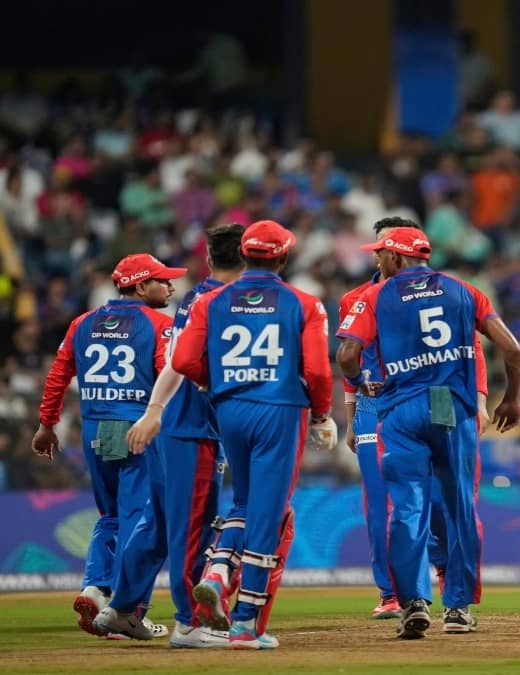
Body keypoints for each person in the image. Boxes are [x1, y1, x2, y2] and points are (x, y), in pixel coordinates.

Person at [337, 226, 520, 639]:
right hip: (448, 402)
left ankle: (413, 603)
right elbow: (512, 348)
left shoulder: (374, 296)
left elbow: (347, 353)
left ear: (395, 257)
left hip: (401, 406)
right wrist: (510, 398)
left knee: (406, 507)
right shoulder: (464, 291)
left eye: (381, 253)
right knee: (459, 508)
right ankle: (457, 609)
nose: (377, 260)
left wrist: (361, 382)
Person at [172, 220, 336, 648]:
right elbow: (319, 371)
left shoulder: (211, 301)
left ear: (244, 254)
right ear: (284, 258)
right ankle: (246, 623)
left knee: (244, 502)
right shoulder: (305, 304)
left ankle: (217, 571)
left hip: (229, 410)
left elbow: (184, 361)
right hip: (280, 410)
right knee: (270, 513)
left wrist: (218, 384)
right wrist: (322, 415)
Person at [33, 253, 185, 639]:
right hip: (137, 429)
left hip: (95, 429)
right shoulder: (160, 325)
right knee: (141, 517)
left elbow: (58, 373)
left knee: (110, 515)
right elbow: (168, 377)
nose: (170, 286)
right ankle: (127, 610)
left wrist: (47, 424)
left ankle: (94, 588)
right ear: (140, 286)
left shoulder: (82, 322)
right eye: (162, 280)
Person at [120, 224, 246, 648]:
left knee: (170, 523)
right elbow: (183, 363)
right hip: (191, 428)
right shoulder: (220, 301)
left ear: (208, 259)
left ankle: (121, 606)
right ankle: (189, 623)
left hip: (184, 426)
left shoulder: (196, 297)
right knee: (191, 529)